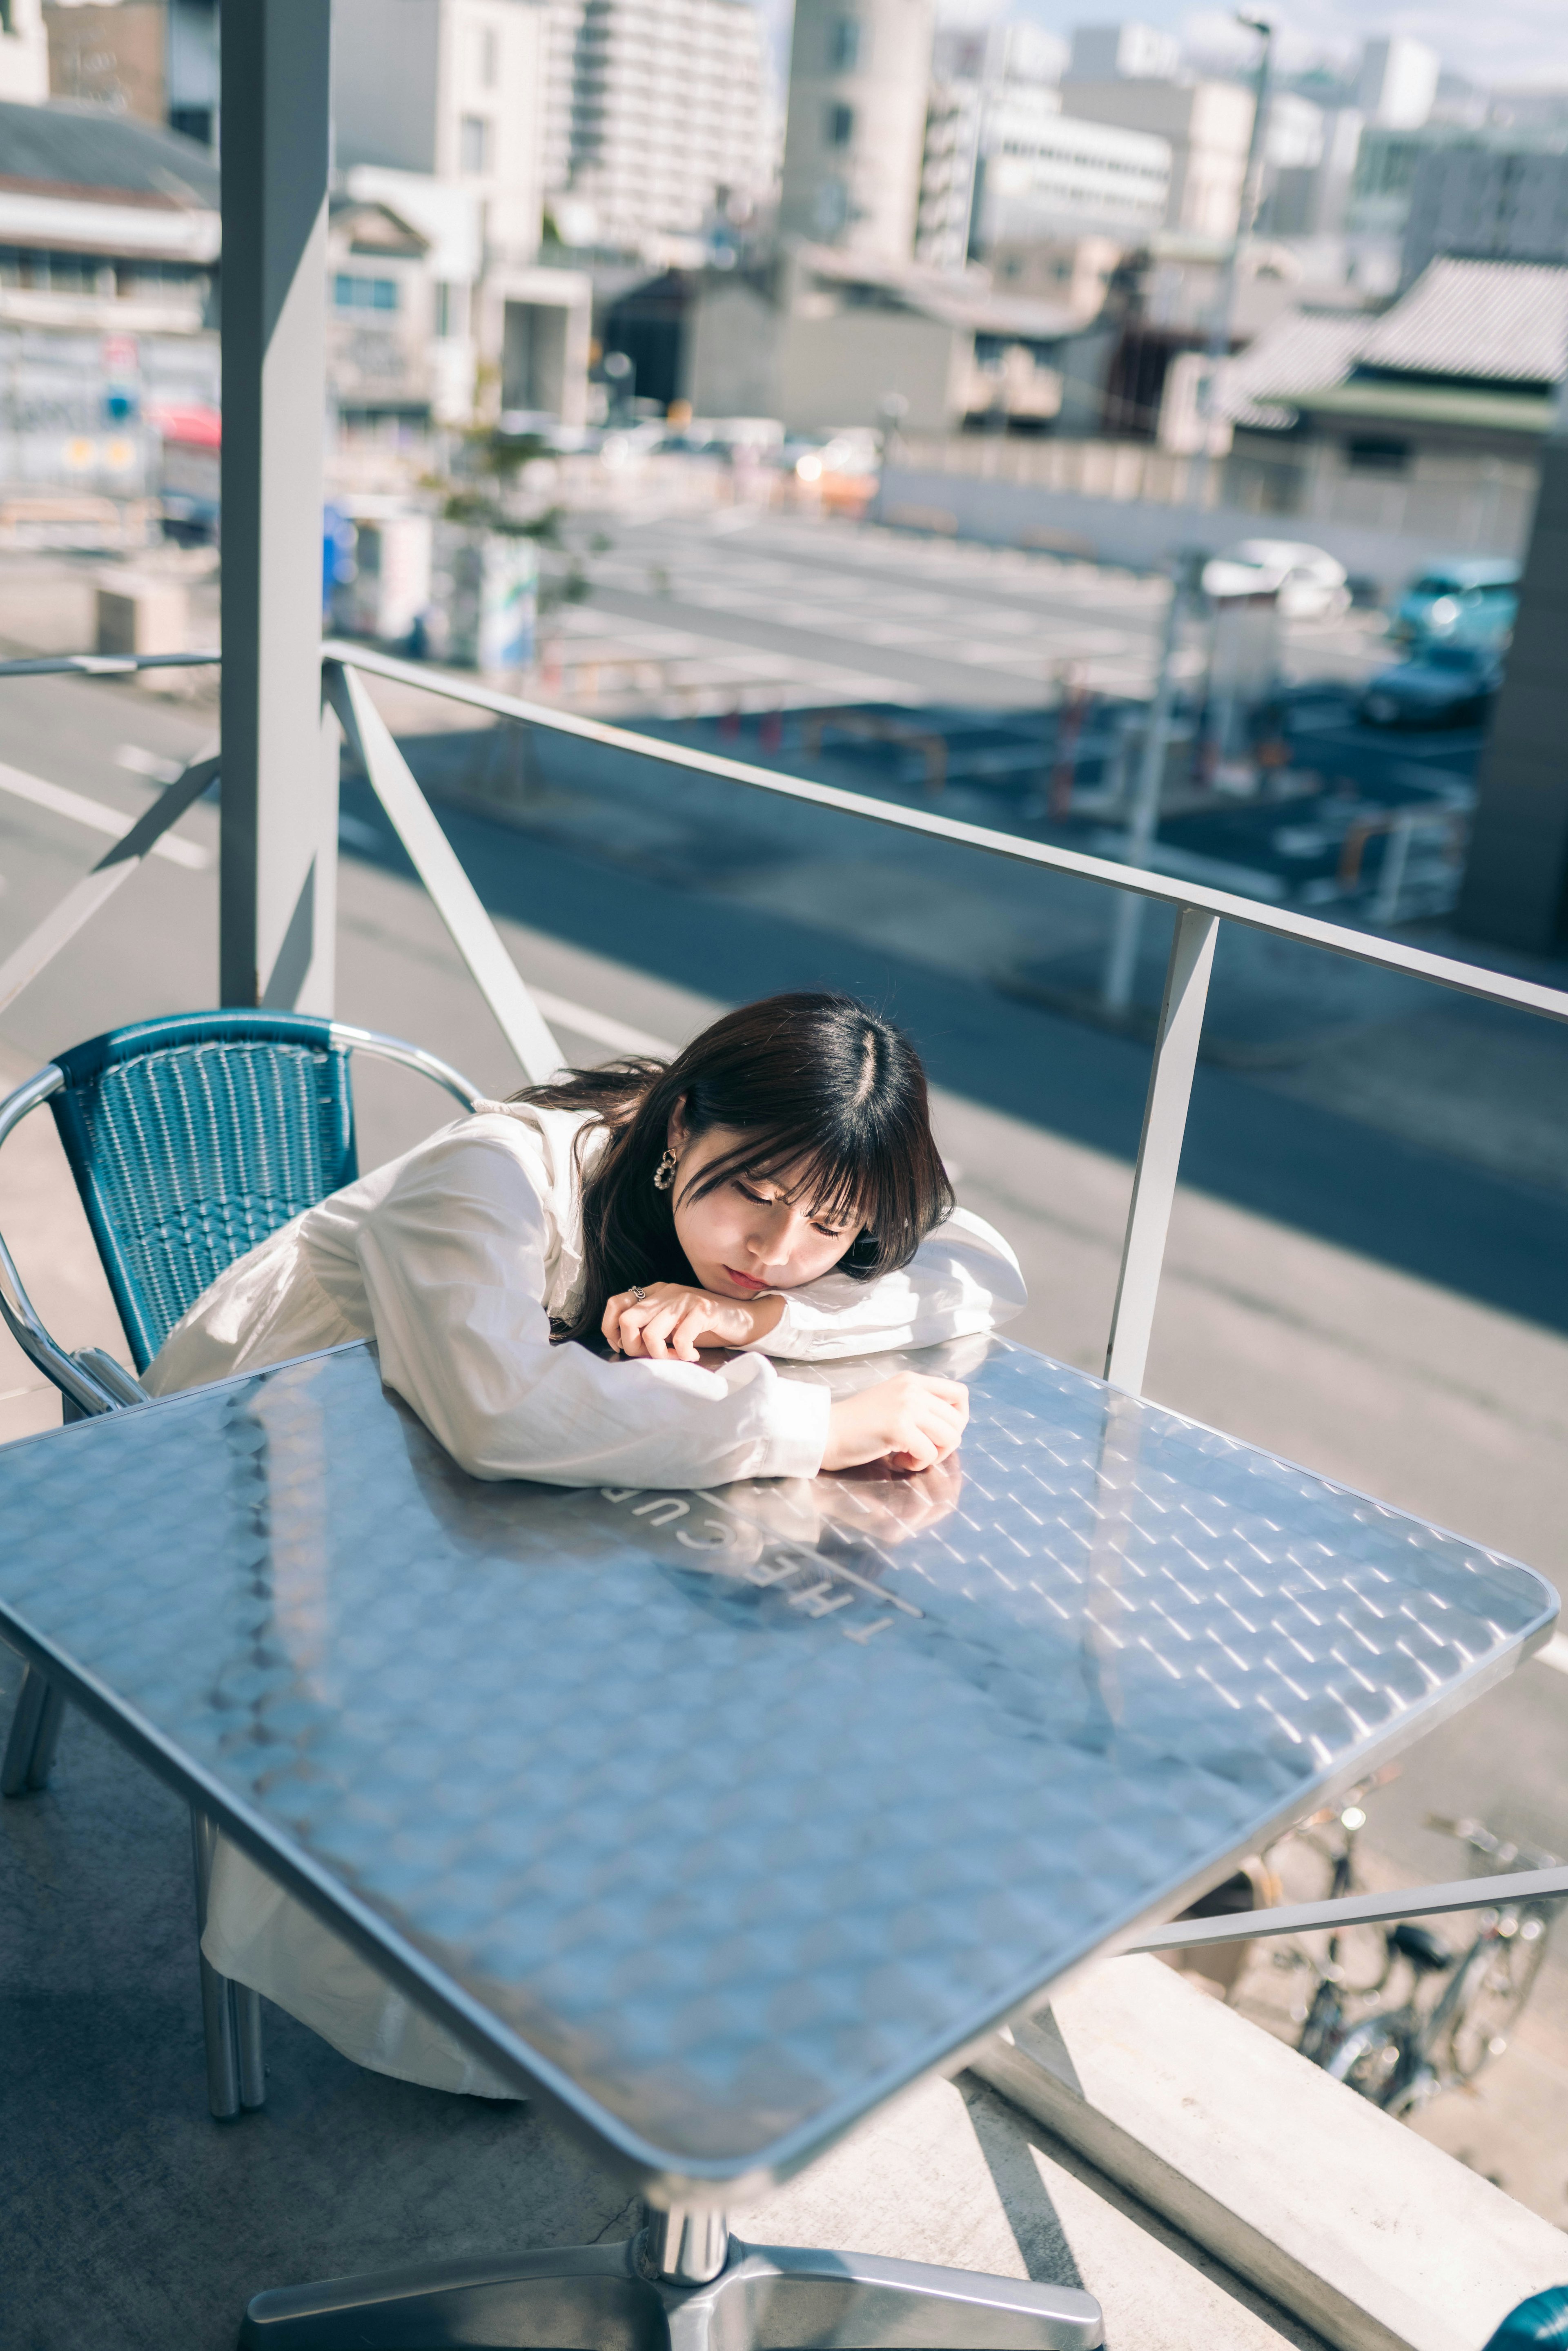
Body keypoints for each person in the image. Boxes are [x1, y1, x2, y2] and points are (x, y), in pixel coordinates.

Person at [144, 989, 1027, 2095]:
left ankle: (616, 1938)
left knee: (726, 1638)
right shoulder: (498, 1173)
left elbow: (981, 1274)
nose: (778, 1247)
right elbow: (496, 1412)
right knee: (483, 1691)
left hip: (475, 1462)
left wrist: (763, 1319)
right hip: (270, 1428)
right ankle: (463, 2017)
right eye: (753, 1193)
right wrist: (817, 1426)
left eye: (831, 1225)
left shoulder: (770, 1250)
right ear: (680, 1125)